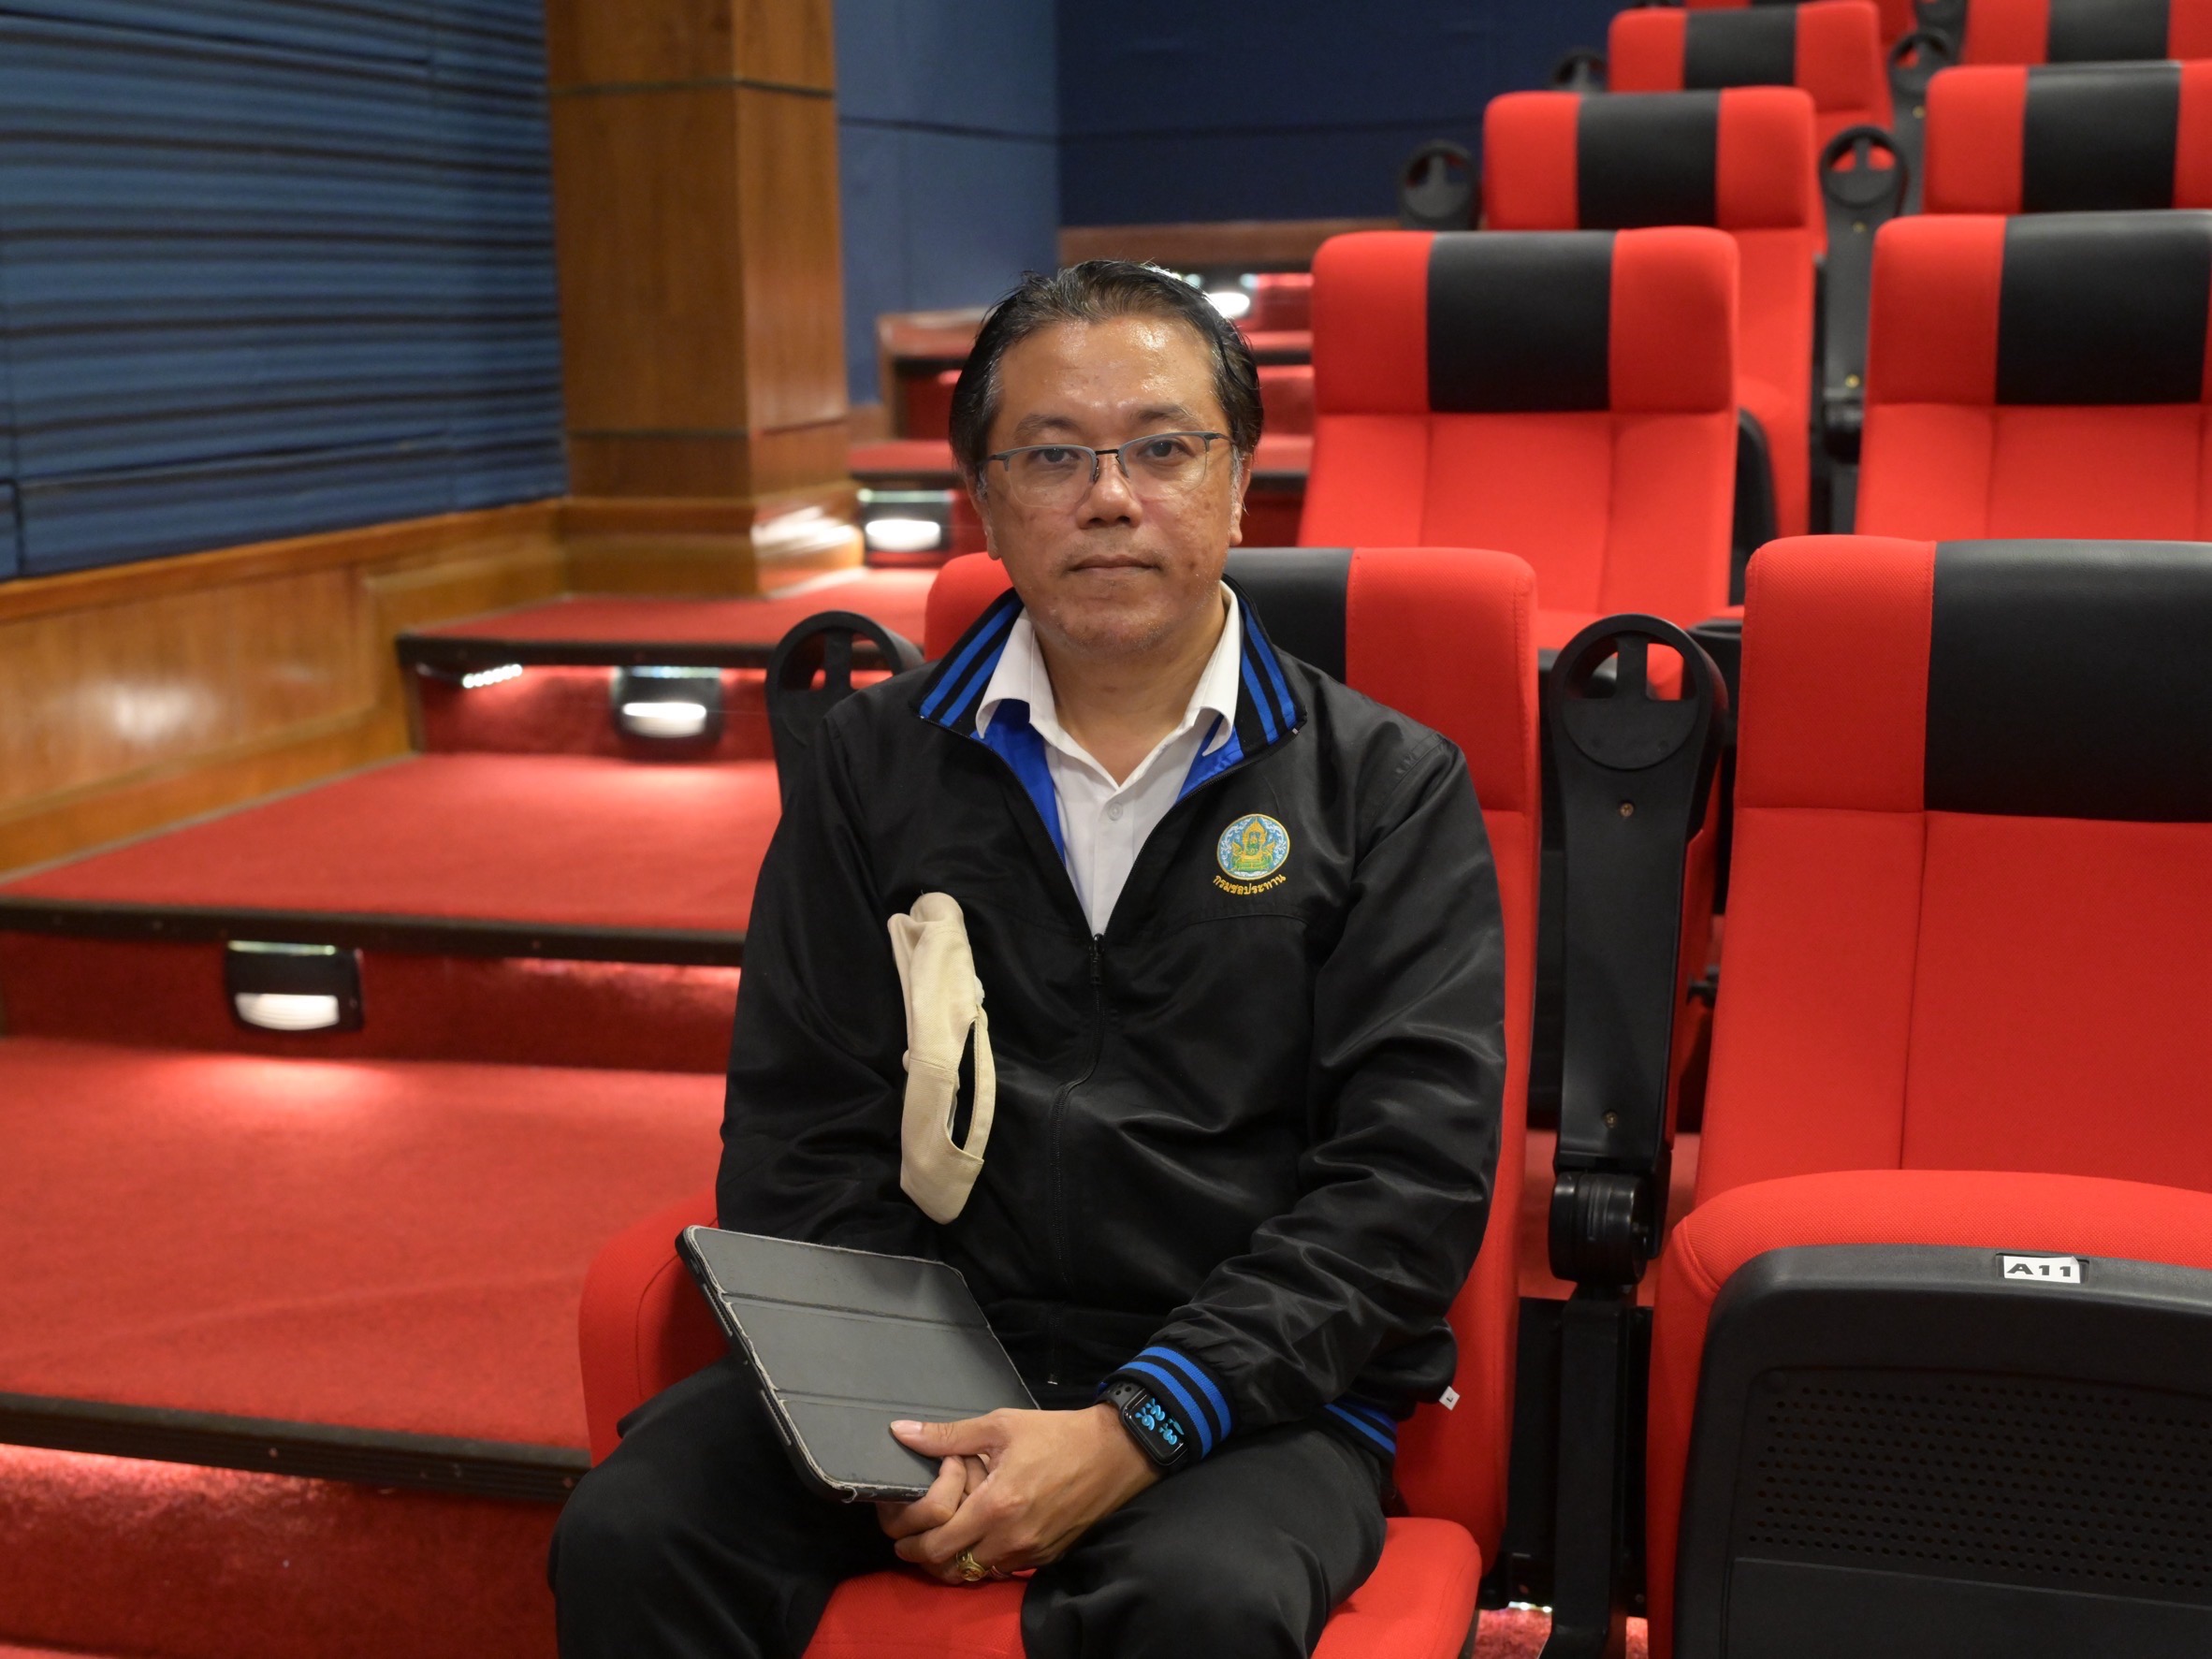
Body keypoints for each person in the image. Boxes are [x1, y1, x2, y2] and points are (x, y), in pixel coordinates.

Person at [550, 260, 1506, 1658]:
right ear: (986, 504)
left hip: (1248, 1396)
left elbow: (1402, 1189)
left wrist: (1136, 1425)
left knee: (1200, 1607)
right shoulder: (872, 767)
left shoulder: (1389, 788)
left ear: (1241, 485)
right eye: (1053, 456)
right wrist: (903, 1419)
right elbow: (800, 1134)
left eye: (1164, 449)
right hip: (927, 1354)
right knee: (635, 1535)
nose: (1111, 497)